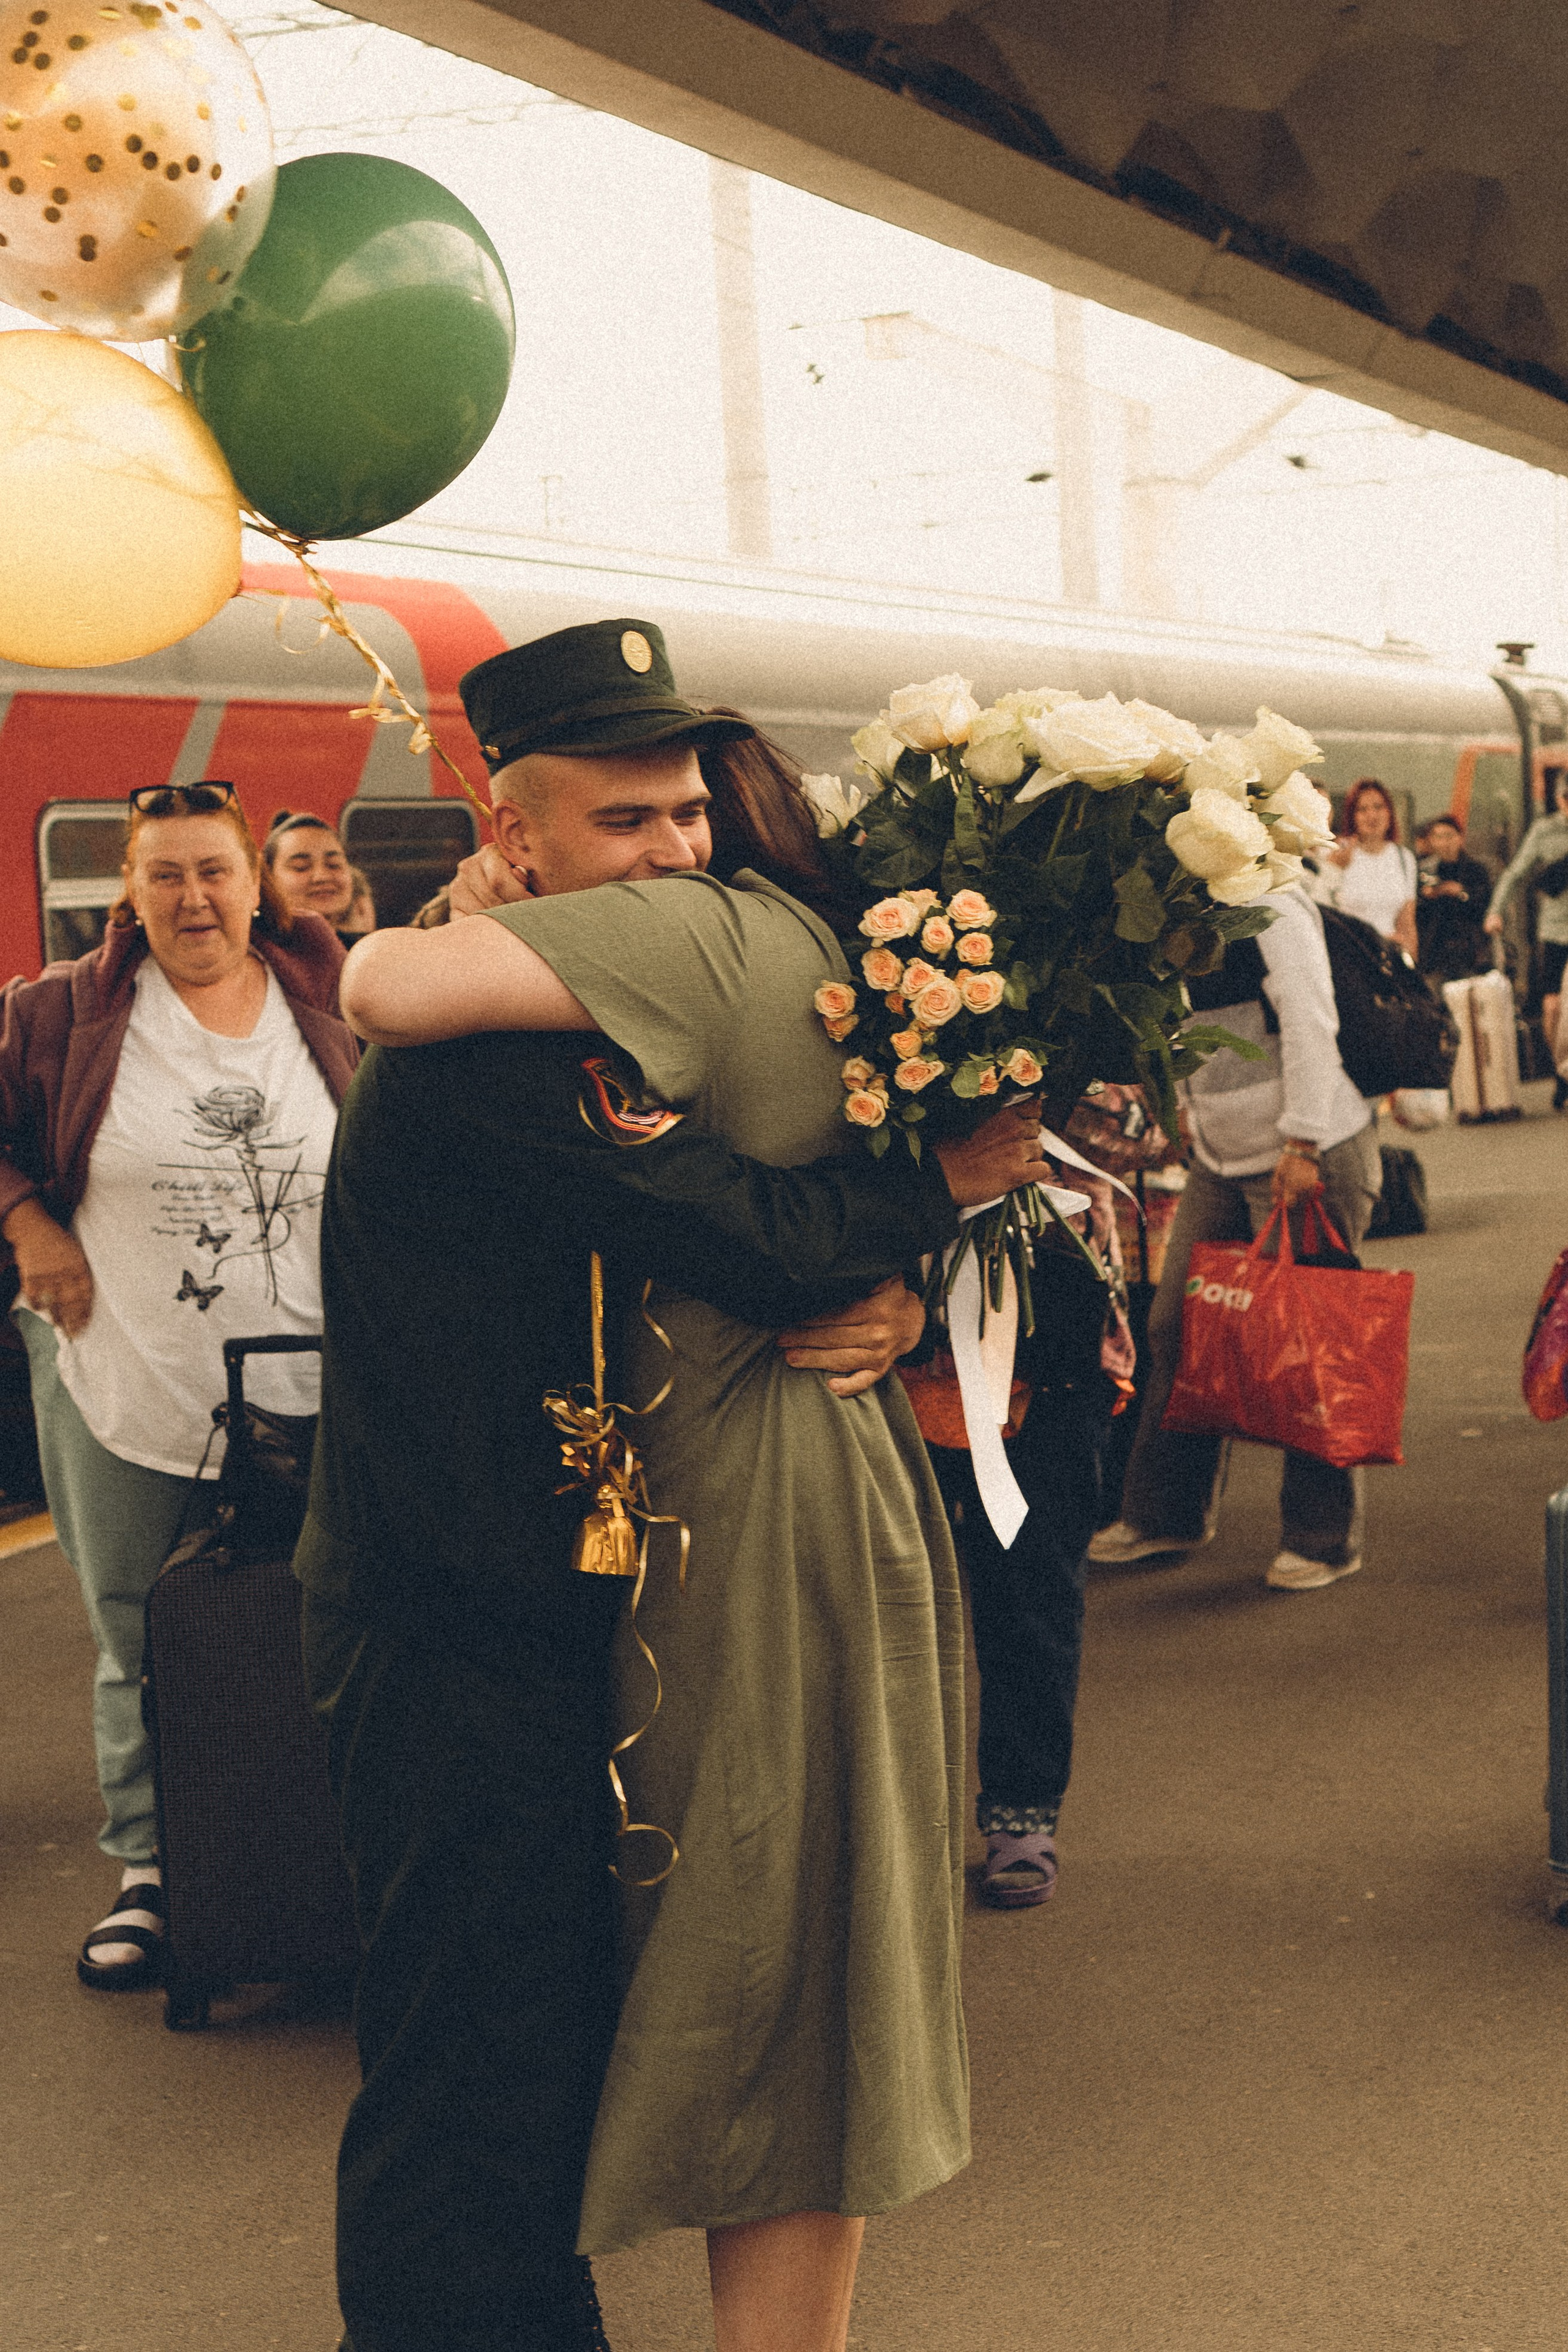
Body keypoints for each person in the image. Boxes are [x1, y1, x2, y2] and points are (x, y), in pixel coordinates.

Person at [305, 620, 1052, 2352]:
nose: (675, 856)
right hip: (446, 1623)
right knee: (462, 2083)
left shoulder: (565, 996)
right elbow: (733, 1226)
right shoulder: (482, 1056)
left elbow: (750, 1223)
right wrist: (924, 1197)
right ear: (519, 832)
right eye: (627, 827)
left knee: (530, 2056)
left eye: (689, 818)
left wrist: (883, 1276)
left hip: (549, 1607)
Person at [0, 781, 356, 1989]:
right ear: (130, 891)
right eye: (166, 874)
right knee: (133, 1630)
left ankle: (307, 1861)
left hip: (313, 1382)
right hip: (127, 1374)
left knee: (322, 1621)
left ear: (256, 886)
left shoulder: (336, 996)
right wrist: (30, 1228)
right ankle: (151, 1875)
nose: (193, 897)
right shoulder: (61, 1014)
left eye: (215, 871)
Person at [1088, 883, 1381, 1593]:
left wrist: (1303, 1142)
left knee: (1307, 1346)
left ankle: (1322, 1537)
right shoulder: (1172, 907)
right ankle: (1166, 1513)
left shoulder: (1272, 901)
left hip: (1305, 1155)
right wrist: (1185, 1109)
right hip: (1221, 1161)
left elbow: (1311, 1021)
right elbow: (1185, 1022)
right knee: (1176, 1326)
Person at [907, 1169, 1133, 1907]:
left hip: (1051, 1334)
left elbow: (1136, 1129)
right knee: (884, 1598)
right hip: (892, 1325)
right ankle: (888, 1827)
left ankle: (1022, 1810)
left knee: (1030, 1590)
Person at [1484, 769, 1568, 1107]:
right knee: (1552, 1008)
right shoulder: (1545, 832)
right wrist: (1496, 911)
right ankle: (1561, 1073)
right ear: (1561, 800)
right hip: (1555, 930)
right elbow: (1516, 872)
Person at [1319, 778, 1418, 956]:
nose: (1372, 815)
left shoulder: (1404, 858)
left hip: (1389, 959)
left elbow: (1407, 924)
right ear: (1352, 816)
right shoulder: (1337, 853)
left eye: (1378, 807)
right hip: (1349, 957)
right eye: (1362, 809)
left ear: (1390, 813)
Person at [263, 810, 362, 948]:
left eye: (334, 865)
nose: (322, 877)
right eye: (301, 867)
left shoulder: (363, 953)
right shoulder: (259, 954)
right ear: (269, 878)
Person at [1415, 813, 1492, 985]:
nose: (1444, 842)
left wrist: (1460, 892)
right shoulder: (1424, 871)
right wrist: (1430, 895)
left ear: (1460, 838)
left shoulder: (1476, 870)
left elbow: (1483, 905)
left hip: (1469, 952)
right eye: (1438, 837)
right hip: (1433, 952)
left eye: (1449, 836)